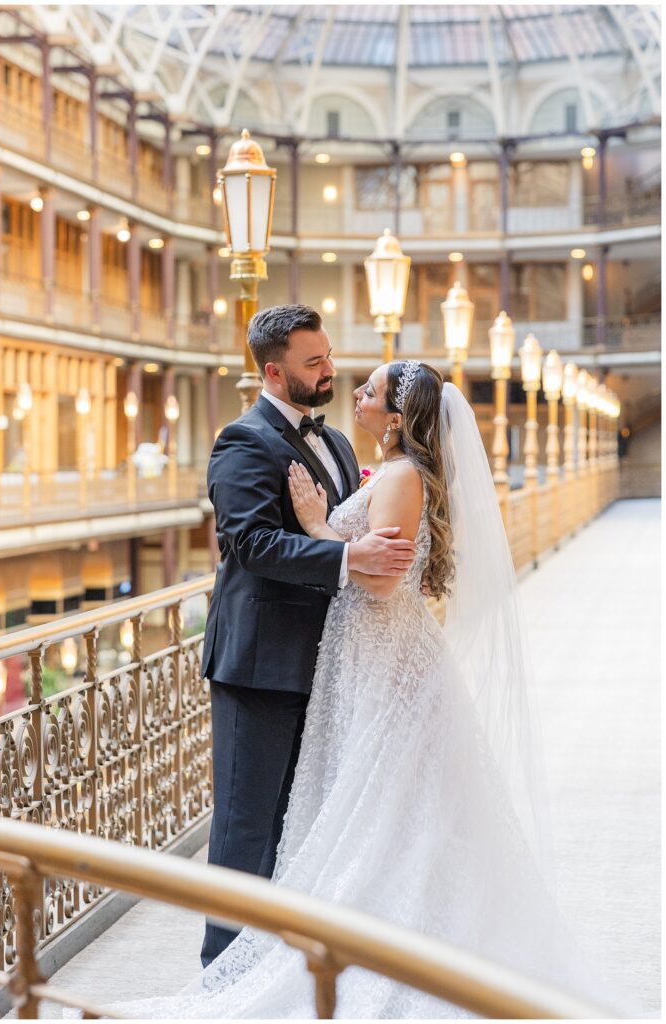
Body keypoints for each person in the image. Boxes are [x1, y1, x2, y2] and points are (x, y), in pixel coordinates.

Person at [112, 359, 629, 1018]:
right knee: (366, 799)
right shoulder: (385, 469)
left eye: (370, 390)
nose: (352, 390)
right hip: (359, 652)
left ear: (394, 416)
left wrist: (316, 524)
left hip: (382, 653)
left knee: (383, 804)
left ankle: (387, 947)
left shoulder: (401, 475)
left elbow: (381, 581)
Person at [199, 305, 417, 966]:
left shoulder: (342, 444)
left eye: (327, 357)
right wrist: (347, 559)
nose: (329, 371)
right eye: (313, 362)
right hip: (260, 667)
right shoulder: (242, 441)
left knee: (307, 821)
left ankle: (279, 965)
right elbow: (252, 543)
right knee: (246, 825)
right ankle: (220, 972)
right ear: (273, 370)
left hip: (332, 663)